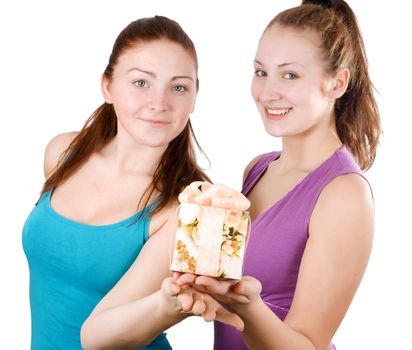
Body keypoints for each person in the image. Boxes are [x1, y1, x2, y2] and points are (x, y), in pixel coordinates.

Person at [22, 16, 242, 350]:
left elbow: (105, 335)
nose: (159, 103)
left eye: (179, 87)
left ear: (195, 98)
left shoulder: (185, 210)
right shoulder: (62, 155)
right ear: (107, 86)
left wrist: (168, 306)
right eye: (141, 83)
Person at [174, 0, 382, 349]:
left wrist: (246, 304)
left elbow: (308, 344)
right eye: (261, 72)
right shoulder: (257, 169)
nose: (268, 92)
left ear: (337, 82)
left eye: (290, 75)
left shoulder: (344, 194)